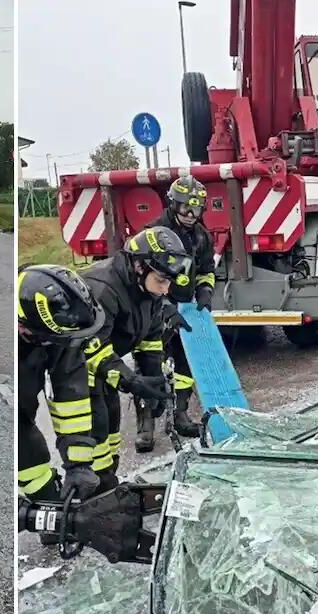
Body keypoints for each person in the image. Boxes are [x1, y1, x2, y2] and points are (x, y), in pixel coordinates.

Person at [81, 226, 193, 491]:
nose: (165, 290)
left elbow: (150, 335)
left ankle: (107, 488)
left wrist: (152, 375)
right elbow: (91, 348)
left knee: (110, 436)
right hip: (78, 372)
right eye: (162, 280)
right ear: (140, 266)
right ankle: (89, 497)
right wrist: (131, 380)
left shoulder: (147, 290)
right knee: (92, 438)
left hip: (104, 371)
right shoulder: (103, 288)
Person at [133, 176, 214, 450]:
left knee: (184, 364)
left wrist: (205, 292)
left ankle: (180, 414)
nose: (190, 215)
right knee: (149, 365)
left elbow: (206, 272)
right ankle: (146, 425)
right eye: (185, 208)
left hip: (185, 308)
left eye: (196, 209)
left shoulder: (202, 236)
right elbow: (145, 278)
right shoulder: (155, 233)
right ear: (173, 204)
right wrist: (166, 309)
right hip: (153, 308)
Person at [17, 264, 106, 503]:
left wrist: (79, 464)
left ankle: (50, 513)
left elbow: (71, 397)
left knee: (34, 461)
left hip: (21, 412)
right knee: (30, 460)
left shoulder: (59, 332)